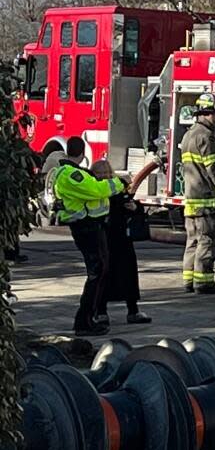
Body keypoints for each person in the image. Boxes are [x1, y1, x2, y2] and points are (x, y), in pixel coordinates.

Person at [50, 137, 124, 336]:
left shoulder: (72, 173)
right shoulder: (72, 174)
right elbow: (96, 190)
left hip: (90, 226)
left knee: (99, 272)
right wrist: (118, 182)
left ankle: (87, 318)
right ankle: (84, 322)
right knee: (96, 272)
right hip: (86, 227)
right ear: (82, 153)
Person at [181, 92, 215, 294]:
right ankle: (203, 282)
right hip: (206, 201)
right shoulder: (206, 137)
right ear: (207, 113)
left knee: (193, 241)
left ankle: (189, 280)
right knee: (208, 241)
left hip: (192, 201)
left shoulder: (189, 135)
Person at [91, 160, 151, 325]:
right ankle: (101, 311)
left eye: (106, 173)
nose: (103, 176)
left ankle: (133, 310)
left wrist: (134, 207)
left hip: (122, 238)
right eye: (100, 173)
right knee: (104, 274)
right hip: (104, 237)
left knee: (128, 274)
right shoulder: (92, 190)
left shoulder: (118, 189)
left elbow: (132, 206)